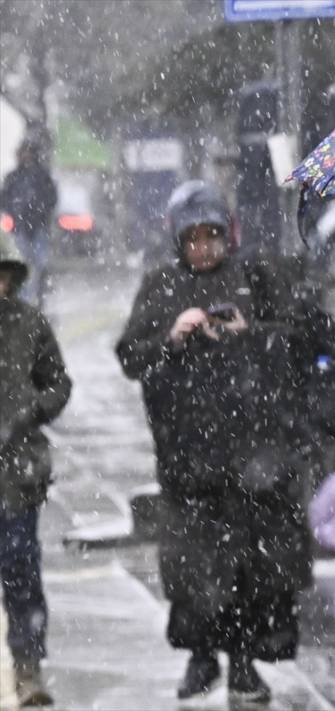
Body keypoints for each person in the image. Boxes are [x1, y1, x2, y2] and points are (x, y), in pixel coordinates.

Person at [116, 181, 315, 704]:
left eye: (212, 236)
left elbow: (301, 344)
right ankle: (201, 655)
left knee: (256, 569)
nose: (203, 247)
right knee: (192, 567)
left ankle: (246, 663)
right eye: (193, 238)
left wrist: (252, 333)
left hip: (255, 458)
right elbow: (132, 356)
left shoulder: (256, 275)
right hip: (188, 460)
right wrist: (173, 338)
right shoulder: (159, 286)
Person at [0, 231, 71, 707]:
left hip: (18, 475)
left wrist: (31, 408)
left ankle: (28, 667)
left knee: (21, 571)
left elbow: (58, 383)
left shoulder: (30, 324)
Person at [0, 137, 58, 308]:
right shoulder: (14, 177)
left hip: (38, 227)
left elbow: (51, 199)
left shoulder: (41, 176)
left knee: (38, 265)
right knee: (24, 265)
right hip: (21, 228)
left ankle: (35, 297)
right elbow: (4, 199)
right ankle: (25, 300)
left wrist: (40, 213)